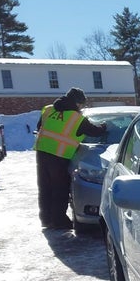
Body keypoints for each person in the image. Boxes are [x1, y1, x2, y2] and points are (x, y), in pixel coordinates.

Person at [34, 87, 106, 229]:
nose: (82, 107)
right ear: (77, 103)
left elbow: (40, 126)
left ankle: (46, 219)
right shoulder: (77, 118)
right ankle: (59, 221)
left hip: (42, 152)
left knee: (45, 187)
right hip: (59, 155)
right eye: (82, 104)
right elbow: (95, 131)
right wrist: (104, 126)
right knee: (60, 188)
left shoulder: (48, 110)